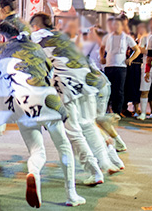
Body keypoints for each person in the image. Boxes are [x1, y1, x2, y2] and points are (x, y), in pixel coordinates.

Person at [0, 21, 84, 208]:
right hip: (45, 98)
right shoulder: (34, 46)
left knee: (36, 150)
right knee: (63, 145)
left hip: (21, 103)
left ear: (2, 37)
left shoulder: (0, 53)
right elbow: (49, 71)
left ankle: (33, 172)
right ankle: (71, 195)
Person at [30, 13, 119, 187]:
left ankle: (94, 170)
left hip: (66, 85)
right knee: (87, 124)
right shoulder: (62, 37)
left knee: (73, 131)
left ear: (35, 26)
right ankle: (104, 162)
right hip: (87, 82)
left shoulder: (37, 37)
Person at [100, 15, 140, 116]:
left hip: (121, 66)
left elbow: (137, 50)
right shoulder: (107, 37)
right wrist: (102, 57)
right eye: (114, 25)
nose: (116, 27)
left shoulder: (127, 37)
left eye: (118, 25)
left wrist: (130, 59)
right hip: (109, 66)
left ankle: (117, 112)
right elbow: (102, 47)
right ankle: (106, 110)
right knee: (108, 89)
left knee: (119, 90)